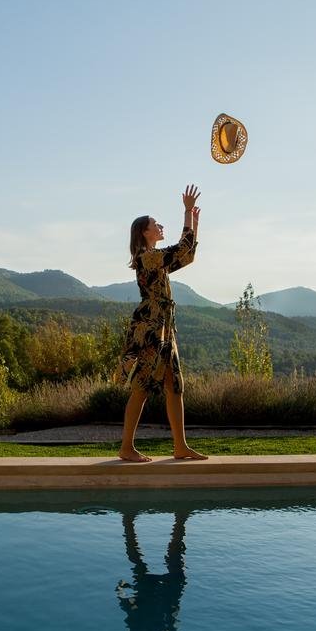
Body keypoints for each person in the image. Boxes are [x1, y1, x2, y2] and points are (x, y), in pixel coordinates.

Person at [116, 185, 208, 462]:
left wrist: (194, 221)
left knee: (175, 386)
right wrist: (186, 213)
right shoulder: (148, 257)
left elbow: (187, 255)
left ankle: (180, 446)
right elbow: (181, 248)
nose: (160, 226)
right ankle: (126, 448)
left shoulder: (157, 260)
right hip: (153, 329)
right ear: (145, 232)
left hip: (165, 328)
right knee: (142, 386)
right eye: (156, 225)